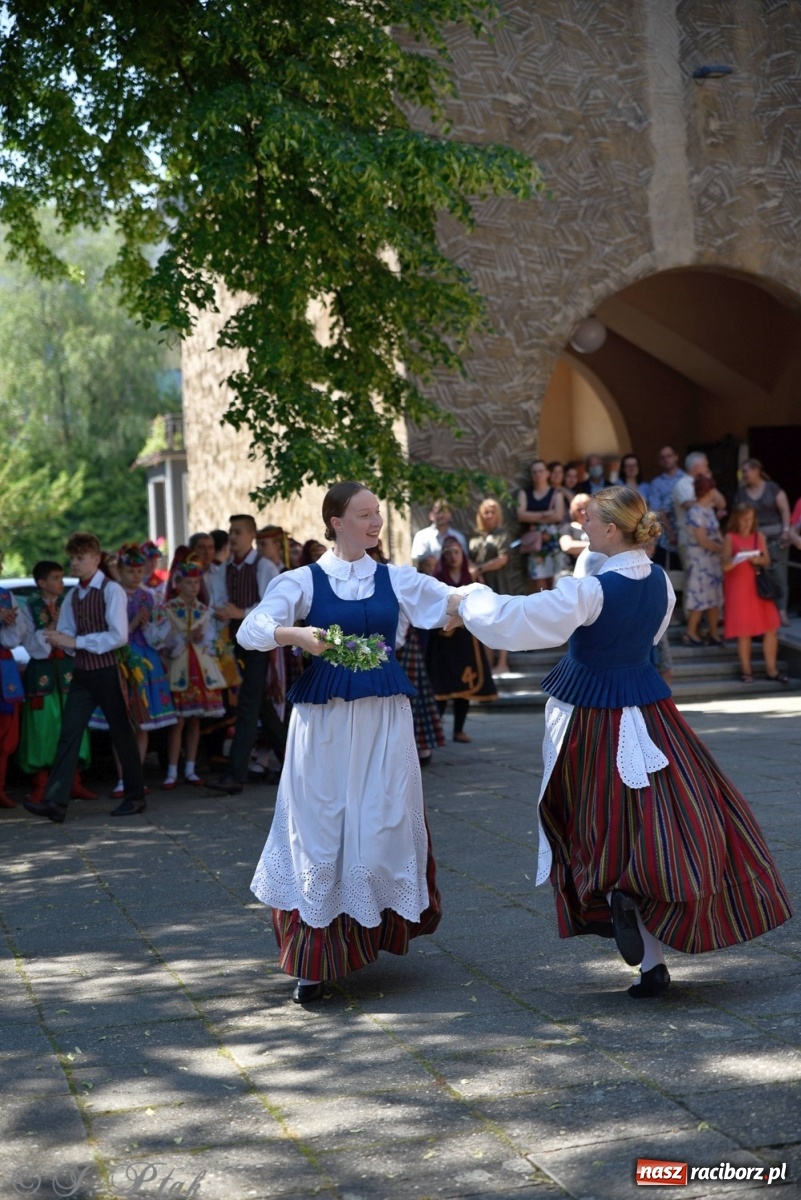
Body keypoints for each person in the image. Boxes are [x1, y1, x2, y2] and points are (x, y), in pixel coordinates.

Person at [450, 487, 792, 999]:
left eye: (590, 521)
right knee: (653, 820)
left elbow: (516, 622)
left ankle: (619, 908)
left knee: (595, 820)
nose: (583, 526)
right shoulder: (658, 582)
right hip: (651, 711)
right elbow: (650, 639)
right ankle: (648, 955)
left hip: (590, 717)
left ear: (612, 530)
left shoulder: (590, 589)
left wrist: (467, 598)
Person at [238, 481, 475, 1003]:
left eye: (378, 514)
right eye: (364, 514)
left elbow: (452, 602)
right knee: (320, 827)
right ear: (335, 522)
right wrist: (295, 635)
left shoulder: (397, 578)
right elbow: (252, 629)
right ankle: (313, 962)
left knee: (380, 820)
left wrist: (490, 606)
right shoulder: (301, 580)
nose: (375, 523)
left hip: (383, 721)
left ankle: (368, 937)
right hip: (322, 727)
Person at [23, 532, 147, 822]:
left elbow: (119, 636)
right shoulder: (73, 595)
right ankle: (55, 801)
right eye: (72, 558)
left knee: (121, 733)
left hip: (107, 671)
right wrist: (56, 638)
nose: (74, 564)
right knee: (69, 733)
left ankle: (135, 796)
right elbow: (67, 631)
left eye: (80, 558)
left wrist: (75, 642)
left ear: (96, 558)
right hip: (81, 673)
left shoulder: (111, 590)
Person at [205, 514, 284, 796]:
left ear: (251, 535)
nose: (233, 537)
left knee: (248, 704)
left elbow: (274, 607)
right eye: (231, 532)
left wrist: (240, 612)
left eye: (238, 532)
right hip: (233, 638)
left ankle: (234, 773)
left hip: (259, 639)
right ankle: (291, 761)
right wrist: (223, 614)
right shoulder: (224, 569)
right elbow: (217, 601)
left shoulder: (264, 567)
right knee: (258, 702)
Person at [17, 560, 95, 807]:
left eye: (62, 577)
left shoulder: (70, 603)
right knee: (43, 729)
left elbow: (80, 635)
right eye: (56, 578)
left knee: (73, 723)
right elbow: (27, 642)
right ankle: (41, 785)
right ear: (42, 582)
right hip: (42, 673)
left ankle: (74, 782)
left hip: (69, 672)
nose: (61, 582)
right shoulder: (28, 607)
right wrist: (51, 627)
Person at [103, 543, 177, 798]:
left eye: (138, 571)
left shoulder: (149, 596)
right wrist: (133, 624)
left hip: (145, 661)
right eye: (130, 571)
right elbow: (113, 629)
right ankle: (123, 778)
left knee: (142, 723)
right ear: (120, 570)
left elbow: (158, 632)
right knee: (122, 722)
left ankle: (137, 775)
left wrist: (151, 629)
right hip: (122, 659)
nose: (136, 575)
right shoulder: (113, 595)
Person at [148, 554, 226, 787]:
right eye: (188, 582)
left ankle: (190, 769)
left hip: (200, 670)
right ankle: (172, 770)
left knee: (195, 722)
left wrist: (203, 641)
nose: (193, 587)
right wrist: (183, 640)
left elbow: (212, 643)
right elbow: (159, 641)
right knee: (178, 721)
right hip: (177, 669)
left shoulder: (204, 610)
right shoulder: (167, 609)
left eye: (196, 582)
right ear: (178, 584)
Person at [427, 537, 498, 742]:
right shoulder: (437, 579)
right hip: (442, 641)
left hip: (465, 640)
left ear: (462, 554)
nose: (452, 556)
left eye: (456, 552)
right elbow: (431, 607)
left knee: (464, 685)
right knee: (441, 685)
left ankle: (459, 730)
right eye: (448, 553)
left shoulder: (472, 579)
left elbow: (484, 603)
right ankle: (435, 730)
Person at [722, 504, 784, 684]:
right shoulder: (730, 538)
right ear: (737, 518)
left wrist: (758, 559)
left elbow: (767, 561)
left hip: (759, 590)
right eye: (744, 518)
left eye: (750, 518)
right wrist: (737, 558)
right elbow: (724, 565)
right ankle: (746, 671)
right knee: (744, 632)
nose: (748, 522)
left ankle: (771, 670)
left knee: (771, 628)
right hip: (739, 589)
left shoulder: (759, 536)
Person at [734, 459, 793, 626]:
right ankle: (763, 613)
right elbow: (738, 515)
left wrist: (786, 531)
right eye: (742, 472)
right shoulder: (742, 493)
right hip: (752, 539)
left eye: (746, 471)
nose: (744, 475)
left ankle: (781, 612)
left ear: (757, 470)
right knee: (756, 576)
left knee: (779, 575)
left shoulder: (772, 488)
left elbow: (784, 508)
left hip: (776, 538)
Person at [469, 498, 512, 674]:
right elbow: (468, 559)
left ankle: (502, 663)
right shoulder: (474, 537)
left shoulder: (503, 534)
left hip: (498, 582)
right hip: (480, 587)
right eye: (486, 512)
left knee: (503, 622)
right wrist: (474, 572)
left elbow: (502, 560)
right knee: (484, 623)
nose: (489, 515)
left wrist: (479, 569)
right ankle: (486, 665)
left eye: (492, 512)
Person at [682, 476, 724, 647]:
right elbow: (702, 540)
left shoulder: (709, 510)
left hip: (713, 561)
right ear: (708, 491)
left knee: (714, 598)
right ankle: (690, 633)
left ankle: (713, 633)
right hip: (699, 561)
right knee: (698, 598)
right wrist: (723, 549)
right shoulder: (695, 512)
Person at [516, 460, 565, 593]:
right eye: (534, 472)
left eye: (541, 471)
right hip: (535, 545)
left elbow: (558, 516)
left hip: (553, 544)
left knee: (555, 583)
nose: (538, 474)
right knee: (539, 585)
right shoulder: (525, 493)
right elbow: (521, 515)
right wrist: (546, 513)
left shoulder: (556, 493)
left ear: (547, 473)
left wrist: (532, 515)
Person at [0, 560, 24, 808]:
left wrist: (9, 622)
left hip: (4, 665)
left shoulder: (7, 596)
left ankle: (1, 789)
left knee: (6, 731)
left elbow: (15, 638)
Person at [647, 445, 686, 573]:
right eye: (662, 457)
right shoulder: (656, 483)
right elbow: (657, 510)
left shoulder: (686, 479)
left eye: (669, 456)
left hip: (687, 535)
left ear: (676, 457)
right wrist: (671, 534)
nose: (666, 460)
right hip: (666, 540)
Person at [410, 499, 468, 564]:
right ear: (431, 515)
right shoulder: (421, 536)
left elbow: (465, 561)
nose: (441, 515)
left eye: (444, 512)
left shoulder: (459, 537)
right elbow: (416, 560)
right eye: (438, 512)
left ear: (450, 515)